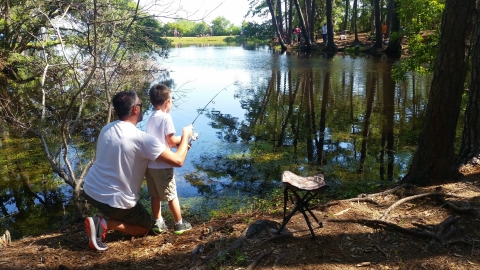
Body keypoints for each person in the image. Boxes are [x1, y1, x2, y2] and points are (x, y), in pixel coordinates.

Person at [83, 90, 193, 251]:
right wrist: (185, 135)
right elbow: (178, 160)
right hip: (113, 200)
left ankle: (109, 217)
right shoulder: (141, 139)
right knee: (145, 227)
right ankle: (104, 224)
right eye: (141, 105)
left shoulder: (107, 128)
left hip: (90, 190)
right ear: (135, 109)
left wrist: (173, 144)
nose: (143, 108)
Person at [146, 84, 192, 235]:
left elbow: (164, 140)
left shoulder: (151, 117)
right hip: (163, 166)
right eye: (171, 100)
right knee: (172, 195)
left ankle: (158, 222)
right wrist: (186, 136)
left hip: (150, 165)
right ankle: (179, 224)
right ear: (167, 102)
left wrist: (182, 143)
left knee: (155, 195)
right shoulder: (166, 117)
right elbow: (171, 141)